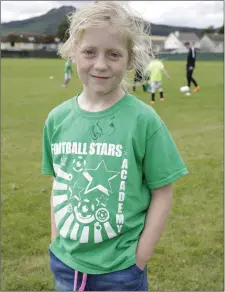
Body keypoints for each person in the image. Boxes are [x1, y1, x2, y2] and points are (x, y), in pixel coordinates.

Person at [42, 2, 189, 291]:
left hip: (121, 271)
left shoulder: (144, 120)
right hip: (65, 266)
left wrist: (139, 258)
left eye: (113, 54)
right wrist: (55, 239)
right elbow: (60, 182)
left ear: (130, 60)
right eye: (89, 52)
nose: (100, 64)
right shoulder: (57, 119)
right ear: (74, 53)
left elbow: (163, 192)